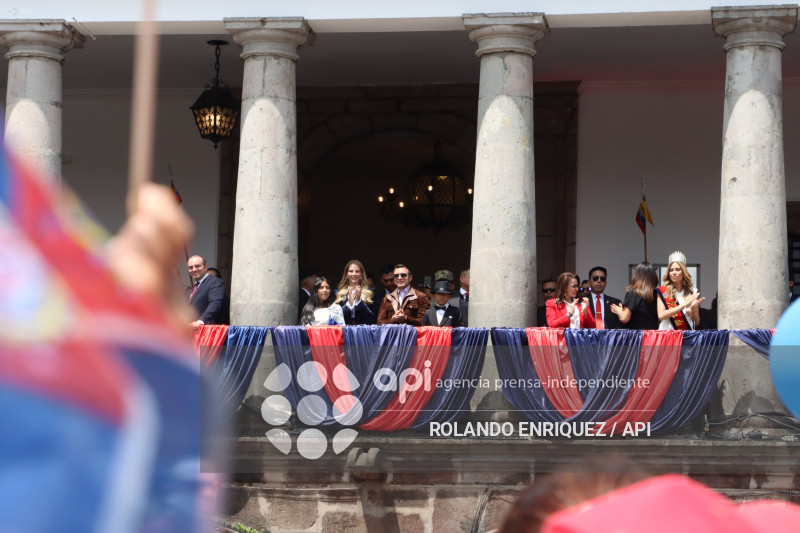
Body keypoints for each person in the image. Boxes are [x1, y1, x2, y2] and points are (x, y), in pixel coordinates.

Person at [656, 251, 704, 330]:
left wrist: (694, 310)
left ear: (683, 272)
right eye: (671, 270)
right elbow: (661, 316)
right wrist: (682, 305)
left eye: (677, 269)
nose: (674, 273)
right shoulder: (663, 291)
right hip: (667, 334)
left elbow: (697, 321)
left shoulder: (692, 291)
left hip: (685, 334)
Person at [610, 262, 660, 330]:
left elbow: (625, 318)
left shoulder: (635, 292)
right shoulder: (657, 294)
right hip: (652, 335)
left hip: (636, 337)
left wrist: (620, 312)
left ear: (637, 275)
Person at [187, 254, 226, 329]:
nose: (194, 269)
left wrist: (201, 321)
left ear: (205, 267)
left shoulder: (215, 282)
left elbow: (215, 303)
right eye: (190, 267)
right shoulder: (195, 287)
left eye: (197, 266)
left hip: (204, 332)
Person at [334, 259, 377, 325]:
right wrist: (348, 305)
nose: (354, 274)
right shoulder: (338, 293)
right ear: (346, 274)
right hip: (344, 332)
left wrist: (359, 302)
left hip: (363, 332)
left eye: (357, 271)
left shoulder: (371, 293)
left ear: (361, 274)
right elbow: (336, 318)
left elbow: (372, 318)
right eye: (351, 271)